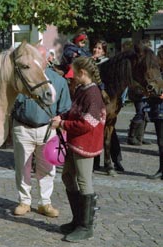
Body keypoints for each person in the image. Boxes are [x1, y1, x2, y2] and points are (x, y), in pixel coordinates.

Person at [12, 45, 72, 217]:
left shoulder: (58, 81)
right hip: (23, 127)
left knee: (47, 168)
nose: (36, 61)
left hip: (48, 129)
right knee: (22, 166)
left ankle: (45, 203)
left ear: (48, 60)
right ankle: (24, 201)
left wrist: (60, 121)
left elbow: (65, 108)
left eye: (40, 58)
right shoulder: (23, 78)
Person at [51, 56, 106, 242]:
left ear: (83, 73)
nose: (71, 76)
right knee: (67, 176)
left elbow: (87, 123)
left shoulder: (93, 94)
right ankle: (77, 220)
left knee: (84, 181)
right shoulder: (83, 90)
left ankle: (86, 226)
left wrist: (63, 124)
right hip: (75, 141)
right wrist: (62, 116)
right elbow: (75, 110)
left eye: (74, 73)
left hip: (86, 143)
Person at [92, 40, 124, 174]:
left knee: (111, 135)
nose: (96, 50)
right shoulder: (89, 61)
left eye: (99, 48)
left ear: (104, 51)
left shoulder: (108, 63)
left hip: (108, 100)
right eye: (95, 47)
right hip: (95, 100)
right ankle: (95, 162)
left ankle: (115, 161)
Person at [146, 48, 163, 180]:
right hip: (158, 111)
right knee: (161, 141)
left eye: (159, 57)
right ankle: (161, 169)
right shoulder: (158, 73)